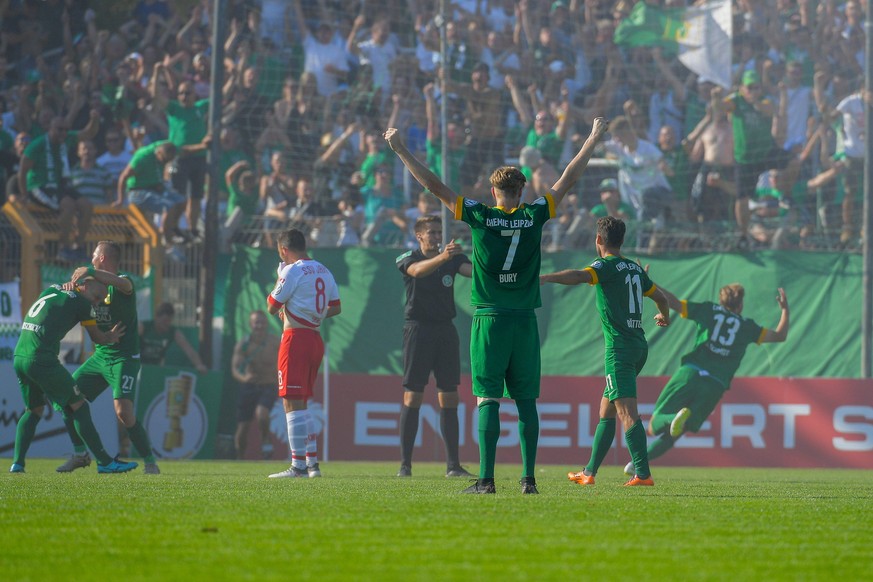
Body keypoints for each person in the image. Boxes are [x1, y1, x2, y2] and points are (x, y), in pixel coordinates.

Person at [384, 117, 610, 495]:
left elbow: (433, 185)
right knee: (526, 401)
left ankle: (486, 480)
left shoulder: (480, 214)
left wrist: (401, 149)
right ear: (521, 190)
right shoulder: (534, 214)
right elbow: (568, 177)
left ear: (493, 190)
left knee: (488, 397)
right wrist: (592, 138)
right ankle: (528, 480)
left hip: (489, 319)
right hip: (524, 320)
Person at [540, 216, 671, 486]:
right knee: (606, 411)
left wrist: (545, 277)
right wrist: (663, 316)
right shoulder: (635, 269)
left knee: (627, 413)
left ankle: (643, 474)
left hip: (619, 350)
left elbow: (579, 275)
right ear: (622, 240)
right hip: (638, 346)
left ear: (598, 239)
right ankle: (589, 473)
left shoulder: (606, 265)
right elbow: (661, 298)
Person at [622, 284, 789, 475]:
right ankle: (638, 464)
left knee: (655, 423)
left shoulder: (708, 310)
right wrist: (785, 309)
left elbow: (674, 302)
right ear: (740, 304)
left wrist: (649, 284)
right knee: (677, 432)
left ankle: (669, 422)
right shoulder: (747, 327)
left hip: (691, 373)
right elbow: (780, 335)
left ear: (721, 300)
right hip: (715, 385)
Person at [11, 277, 136, 474]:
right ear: (84, 285)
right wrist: (110, 337)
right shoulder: (82, 303)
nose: (96, 303)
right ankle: (105, 462)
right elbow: (97, 338)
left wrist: (70, 284)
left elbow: (60, 292)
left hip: (20, 356)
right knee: (79, 405)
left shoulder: (52, 289)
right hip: (42, 360)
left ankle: (17, 464)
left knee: (33, 410)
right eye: (96, 297)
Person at [55, 241, 161, 474]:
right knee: (67, 400)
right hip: (100, 356)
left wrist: (90, 271)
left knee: (123, 412)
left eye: (93, 256)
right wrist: (67, 289)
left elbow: (122, 284)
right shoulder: (90, 285)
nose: (90, 260)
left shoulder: (124, 282)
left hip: (124, 357)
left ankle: (150, 461)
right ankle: (80, 453)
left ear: (102, 258)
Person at [395, 215, 473, 478]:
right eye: (432, 232)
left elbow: (471, 272)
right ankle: (405, 465)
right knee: (413, 396)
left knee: (449, 396)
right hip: (418, 330)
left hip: (445, 331)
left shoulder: (452, 258)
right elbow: (417, 272)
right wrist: (444, 257)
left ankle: (453, 466)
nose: (437, 236)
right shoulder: (409, 257)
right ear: (419, 236)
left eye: (439, 231)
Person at [267, 228, 341, 479]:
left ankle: (297, 466)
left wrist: (280, 278)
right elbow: (335, 307)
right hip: (315, 338)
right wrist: (313, 313)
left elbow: (271, 306)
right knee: (302, 402)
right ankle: (312, 464)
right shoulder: (324, 269)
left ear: (284, 250)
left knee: (290, 400)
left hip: (295, 339)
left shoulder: (292, 270)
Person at [18, 114, 100, 262]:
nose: (63, 133)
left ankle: (78, 247)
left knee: (86, 206)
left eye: (66, 130)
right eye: (59, 129)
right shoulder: (38, 145)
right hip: (39, 186)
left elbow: (89, 133)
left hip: (60, 186)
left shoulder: (66, 139)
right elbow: (23, 170)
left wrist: (94, 118)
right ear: (50, 128)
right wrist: (24, 194)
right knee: (68, 206)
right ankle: (64, 248)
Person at [232, 310, 281, 460]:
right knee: (243, 427)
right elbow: (235, 368)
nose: (259, 326)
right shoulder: (244, 344)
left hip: (269, 384)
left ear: (266, 324)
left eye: (262, 322)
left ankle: (265, 440)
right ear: (250, 325)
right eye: (256, 323)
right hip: (250, 386)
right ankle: (240, 458)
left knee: (262, 413)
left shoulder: (274, 342)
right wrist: (244, 377)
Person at [139, 301, 208, 372]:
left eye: (169, 321)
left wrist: (199, 365)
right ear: (156, 317)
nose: (166, 324)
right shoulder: (143, 327)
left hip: (154, 369)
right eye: (164, 320)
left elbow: (189, 350)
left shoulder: (173, 332)